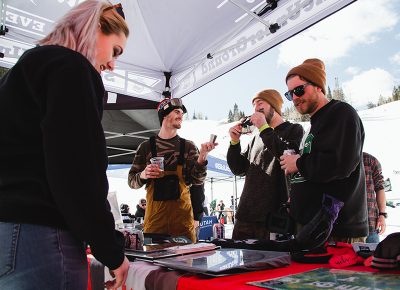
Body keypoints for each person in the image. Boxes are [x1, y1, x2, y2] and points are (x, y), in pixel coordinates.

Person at [0, 1, 130, 290]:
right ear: (95, 27)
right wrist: (112, 251)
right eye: (115, 51)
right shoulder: (71, 69)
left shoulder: (22, 72)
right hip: (43, 241)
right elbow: (77, 172)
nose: (112, 65)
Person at [280, 58, 368, 243]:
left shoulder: (341, 113)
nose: (295, 98)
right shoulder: (315, 123)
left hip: (337, 230)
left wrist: (297, 162)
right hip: (313, 228)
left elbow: (340, 164)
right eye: (290, 94)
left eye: (299, 90)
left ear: (318, 86)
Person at [128, 98, 217, 243]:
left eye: (182, 113)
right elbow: (131, 182)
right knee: (155, 264)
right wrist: (143, 174)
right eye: (177, 112)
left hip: (182, 225)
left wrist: (202, 158)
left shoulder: (188, 146)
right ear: (164, 115)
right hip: (155, 224)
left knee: (185, 264)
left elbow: (197, 181)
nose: (181, 115)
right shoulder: (146, 147)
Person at [227, 89, 304, 240]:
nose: (256, 109)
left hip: (273, 217)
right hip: (245, 216)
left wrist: (263, 128)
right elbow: (239, 169)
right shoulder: (256, 137)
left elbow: (287, 155)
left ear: (274, 106)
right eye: (254, 106)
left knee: (270, 262)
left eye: (260, 104)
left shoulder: (294, 130)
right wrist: (234, 142)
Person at [363, 152, 387, 243]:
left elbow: (380, 188)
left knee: (373, 256)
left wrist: (382, 215)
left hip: (370, 224)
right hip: (343, 226)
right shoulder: (339, 159)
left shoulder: (370, 160)